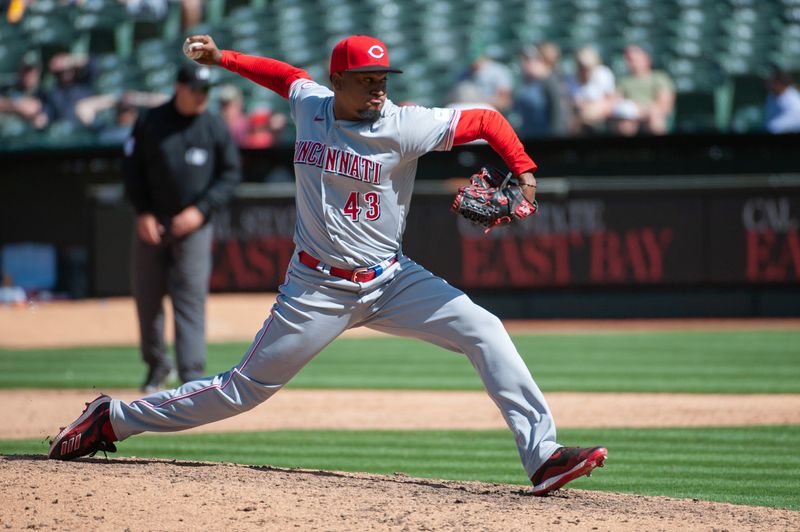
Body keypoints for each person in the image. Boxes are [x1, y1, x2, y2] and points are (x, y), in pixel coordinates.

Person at [48, 35, 607, 496]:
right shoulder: (311, 104)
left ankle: (544, 457)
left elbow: (486, 119)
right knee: (244, 389)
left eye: (383, 79)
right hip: (316, 286)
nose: (377, 88)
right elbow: (281, 74)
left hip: (391, 278)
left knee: (484, 329)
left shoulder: (405, 125)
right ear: (337, 81)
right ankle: (114, 417)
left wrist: (525, 173)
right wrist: (223, 59)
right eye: (366, 80)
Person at [122, 62, 242, 392]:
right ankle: (157, 367)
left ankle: (190, 375)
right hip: (153, 222)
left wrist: (200, 211)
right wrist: (142, 212)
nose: (202, 96)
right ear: (179, 87)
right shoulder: (150, 121)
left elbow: (230, 175)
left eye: (206, 90)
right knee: (147, 299)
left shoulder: (214, 126)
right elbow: (131, 170)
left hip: (193, 225)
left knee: (189, 299)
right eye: (196, 89)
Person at [513, 41, 571, 138]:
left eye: (530, 60)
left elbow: (558, 115)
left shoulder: (551, 81)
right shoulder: (524, 83)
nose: (525, 64)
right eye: (524, 60)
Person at [615, 44, 675, 135]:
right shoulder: (623, 81)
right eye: (628, 59)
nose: (631, 62)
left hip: (652, 115)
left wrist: (641, 111)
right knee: (624, 123)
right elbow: (615, 101)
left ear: (646, 59)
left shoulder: (660, 77)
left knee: (656, 120)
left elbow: (664, 106)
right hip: (630, 117)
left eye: (634, 59)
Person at [568, 46, 616, 135]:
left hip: (603, 117)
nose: (584, 70)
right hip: (581, 119)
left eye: (587, 67)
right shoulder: (570, 80)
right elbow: (575, 104)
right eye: (581, 66)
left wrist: (596, 110)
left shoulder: (604, 73)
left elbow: (612, 100)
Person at [764, 67, 800, 134]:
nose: (767, 83)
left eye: (771, 81)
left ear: (779, 83)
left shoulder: (794, 102)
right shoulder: (771, 95)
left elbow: (773, 128)